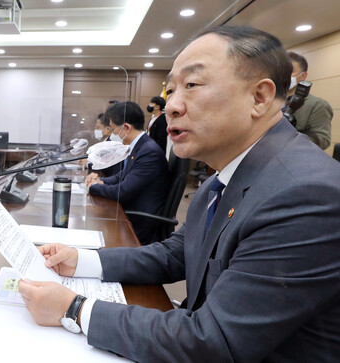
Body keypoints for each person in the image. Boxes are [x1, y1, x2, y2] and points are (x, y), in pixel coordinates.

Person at [18, 26, 340, 362]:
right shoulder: (227, 176)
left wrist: (75, 309)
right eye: (171, 90)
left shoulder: (306, 193)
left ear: (258, 97)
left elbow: (215, 341)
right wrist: (81, 260)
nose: (171, 105)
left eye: (192, 85)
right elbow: (176, 253)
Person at [85, 101, 169, 244]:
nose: (112, 134)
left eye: (113, 129)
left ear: (126, 127)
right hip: (129, 211)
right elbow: (122, 175)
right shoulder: (140, 146)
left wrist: (94, 187)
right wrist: (101, 181)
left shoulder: (149, 152)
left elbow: (123, 191)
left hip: (138, 221)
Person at [285, 51, 333, 150]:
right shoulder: (268, 101)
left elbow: (323, 140)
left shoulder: (318, 105)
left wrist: (289, 138)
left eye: (289, 71)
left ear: (303, 76)